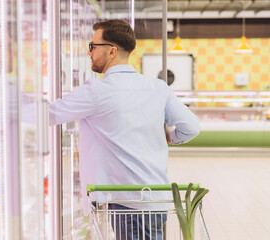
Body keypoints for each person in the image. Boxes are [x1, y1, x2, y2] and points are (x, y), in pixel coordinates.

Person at [49, 19, 200, 239]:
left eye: (93, 46)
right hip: (155, 199)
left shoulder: (97, 91)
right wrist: (170, 137)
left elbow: (50, 114)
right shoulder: (158, 88)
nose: (89, 53)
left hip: (128, 204)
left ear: (111, 51)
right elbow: (192, 127)